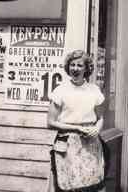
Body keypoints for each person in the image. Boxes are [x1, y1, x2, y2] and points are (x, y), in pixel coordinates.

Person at [48, 50, 107, 192]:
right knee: (66, 184)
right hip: (67, 143)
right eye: (72, 65)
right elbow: (50, 123)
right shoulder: (61, 90)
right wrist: (77, 129)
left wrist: (97, 129)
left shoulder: (94, 90)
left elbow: (100, 118)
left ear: (87, 68)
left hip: (90, 143)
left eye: (79, 65)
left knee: (91, 184)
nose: (75, 68)